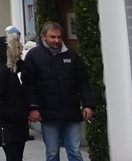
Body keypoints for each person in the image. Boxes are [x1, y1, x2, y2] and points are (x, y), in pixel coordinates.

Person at [23, 21, 95, 161]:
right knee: (52, 153)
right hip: (48, 114)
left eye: (59, 37)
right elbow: (28, 85)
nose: (57, 40)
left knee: (75, 151)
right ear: (43, 37)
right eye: (52, 37)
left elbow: (82, 81)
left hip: (71, 113)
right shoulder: (34, 56)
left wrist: (88, 104)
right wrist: (32, 108)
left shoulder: (71, 55)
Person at [0, 28, 30, 161]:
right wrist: (15, 115)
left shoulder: (12, 69)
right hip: (8, 126)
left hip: (16, 125)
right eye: (17, 48)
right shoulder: (1, 71)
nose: (21, 51)